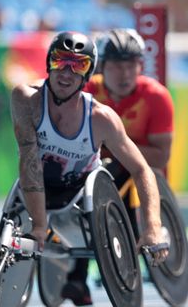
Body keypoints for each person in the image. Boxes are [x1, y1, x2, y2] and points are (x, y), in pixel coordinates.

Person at [10, 31, 169, 306]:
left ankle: (83, 275)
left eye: (78, 65)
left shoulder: (102, 118)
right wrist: (38, 225)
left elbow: (142, 169)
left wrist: (153, 226)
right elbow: (29, 160)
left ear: (87, 74)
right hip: (39, 186)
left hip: (81, 193)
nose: (67, 73)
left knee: (116, 173)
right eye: (61, 61)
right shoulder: (26, 99)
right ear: (49, 63)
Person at [57, 28, 175, 303]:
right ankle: (77, 269)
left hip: (137, 171)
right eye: (117, 66)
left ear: (140, 66)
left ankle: (82, 275)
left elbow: (160, 157)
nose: (124, 74)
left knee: (114, 171)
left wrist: (116, 148)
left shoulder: (156, 97)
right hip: (93, 167)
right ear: (102, 67)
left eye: (131, 65)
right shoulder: (86, 91)